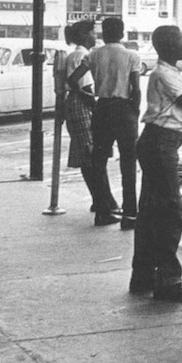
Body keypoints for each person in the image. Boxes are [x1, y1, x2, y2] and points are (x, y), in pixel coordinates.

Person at [127, 25, 182, 302]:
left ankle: (143, 274)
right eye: (180, 42)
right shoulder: (165, 73)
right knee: (169, 212)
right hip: (161, 141)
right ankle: (168, 280)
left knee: (151, 211)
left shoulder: (168, 73)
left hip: (159, 141)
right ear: (168, 46)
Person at [68, 17, 142, 230]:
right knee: (128, 163)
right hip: (124, 109)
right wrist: (134, 112)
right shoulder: (131, 56)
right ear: (122, 33)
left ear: (104, 34)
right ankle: (130, 215)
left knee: (98, 162)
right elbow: (135, 88)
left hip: (102, 109)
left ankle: (102, 211)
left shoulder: (94, 55)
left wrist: (87, 98)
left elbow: (73, 80)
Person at [63, 20, 120, 226]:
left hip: (76, 105)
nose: (95, 36)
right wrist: (95, 106)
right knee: (92, 156)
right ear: (84, 35)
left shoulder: (76, 55)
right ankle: (105, 204)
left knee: (88, 157)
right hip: (82, 105)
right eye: (92, 33)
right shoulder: (80, 56)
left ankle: (101, 201)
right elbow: (82, 86)